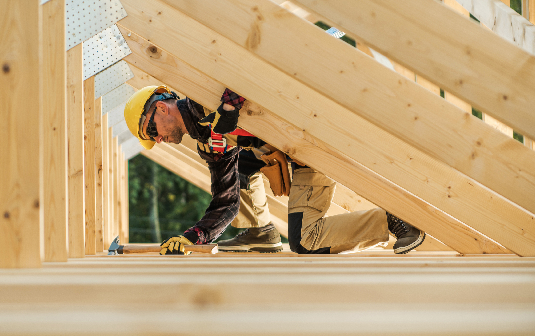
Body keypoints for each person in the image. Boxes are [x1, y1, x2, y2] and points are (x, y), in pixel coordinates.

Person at [124, 85, 425, 255]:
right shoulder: (208, 141)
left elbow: (246, 57)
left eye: (152, 132)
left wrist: (230, 105)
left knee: (305, 241)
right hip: (294, 159)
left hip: (311, 147)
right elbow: (226, 200)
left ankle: (391, 221)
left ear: (161, 109)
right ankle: (260, 231)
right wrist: (194, 238)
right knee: (236, 162)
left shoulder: (205, 86)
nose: (159, 140)